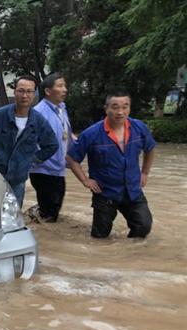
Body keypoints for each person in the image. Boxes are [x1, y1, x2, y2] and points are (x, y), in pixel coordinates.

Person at [66, 90, 155, 238]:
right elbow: (71, 158)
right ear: (106, 108)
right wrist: (85, 180)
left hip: (132, 189)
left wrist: (145, 173)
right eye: (115, 107)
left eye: (125, 107)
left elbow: (150, 149)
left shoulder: (139, 128)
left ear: (129, 108)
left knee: (143, 226)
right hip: (105, 192)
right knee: (100, 236)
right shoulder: (91, 134)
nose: (120, 112)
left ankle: (129, 255)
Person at [0, 75, 58, 206]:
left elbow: (52, 145)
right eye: (21, 90)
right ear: (14, 92)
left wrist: (31, 160)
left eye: (29, 91)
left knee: (13, 218)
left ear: (34, 94)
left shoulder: (38, 121)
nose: (25, 95)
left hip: (17, 180)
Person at [28, 73, 74, 222]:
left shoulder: (61, 108)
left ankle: (35, 212)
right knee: (50, 214)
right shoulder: (39, 112)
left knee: (53, 209)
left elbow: (65, 133)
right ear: (48, 91)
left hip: (58, 167)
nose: (65, 89)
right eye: (60, 86)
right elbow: (30, 141)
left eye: (64, 86)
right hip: (43, 170)